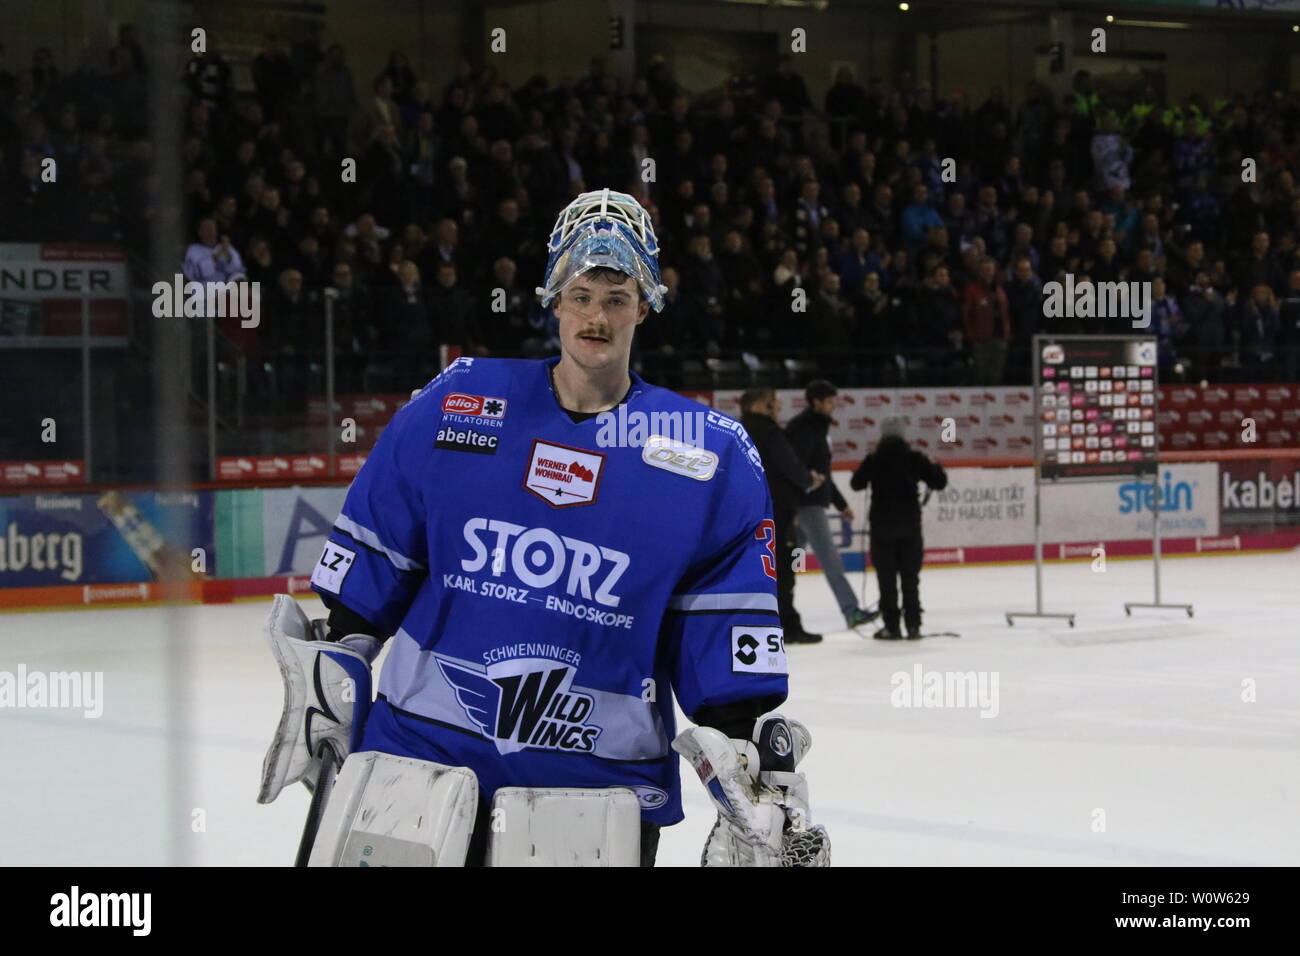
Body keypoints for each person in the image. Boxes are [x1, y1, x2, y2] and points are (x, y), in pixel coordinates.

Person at [257, 189, 828, 867]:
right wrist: (337, 666)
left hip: (593, 792)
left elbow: (723, 639)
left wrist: (751, 769)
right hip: (415, 764)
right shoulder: (458, 403)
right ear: (553, 301)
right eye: (580, 294)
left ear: (645, 307)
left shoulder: (709, 455)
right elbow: (373, 575)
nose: (597, 316)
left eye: (617, 297)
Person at [785, 380, 877, 630]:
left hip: (808, 504)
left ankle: (777, 607)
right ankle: (851, 611)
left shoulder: (816, 427)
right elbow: (796, 470)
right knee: (829, 560)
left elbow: (822, 472)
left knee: (790, 562)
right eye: (830, 401)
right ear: (816, 402)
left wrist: (840, 503)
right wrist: (792, 507)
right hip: (807, 506)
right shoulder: (804, 429)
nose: (834, 405)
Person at [739, 387, 826, 645]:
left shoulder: (735, 430)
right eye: (773, 403)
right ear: (761, 405)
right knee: (782, 571)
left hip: (743, 514)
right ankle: (788, 625)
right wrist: (810, 480)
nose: (777, 408)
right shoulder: (770, 432)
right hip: (776, 512)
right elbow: (791, 467)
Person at [849, 417, 948, 640]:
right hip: (910, 525)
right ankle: (913, 625)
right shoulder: (915, 458)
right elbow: (939, 482)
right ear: (903, 434)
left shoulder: (874, 459)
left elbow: (856, 484)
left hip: (882, 526)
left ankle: (892, 627)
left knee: (886, 579)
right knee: (910, 578)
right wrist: (936, 466)